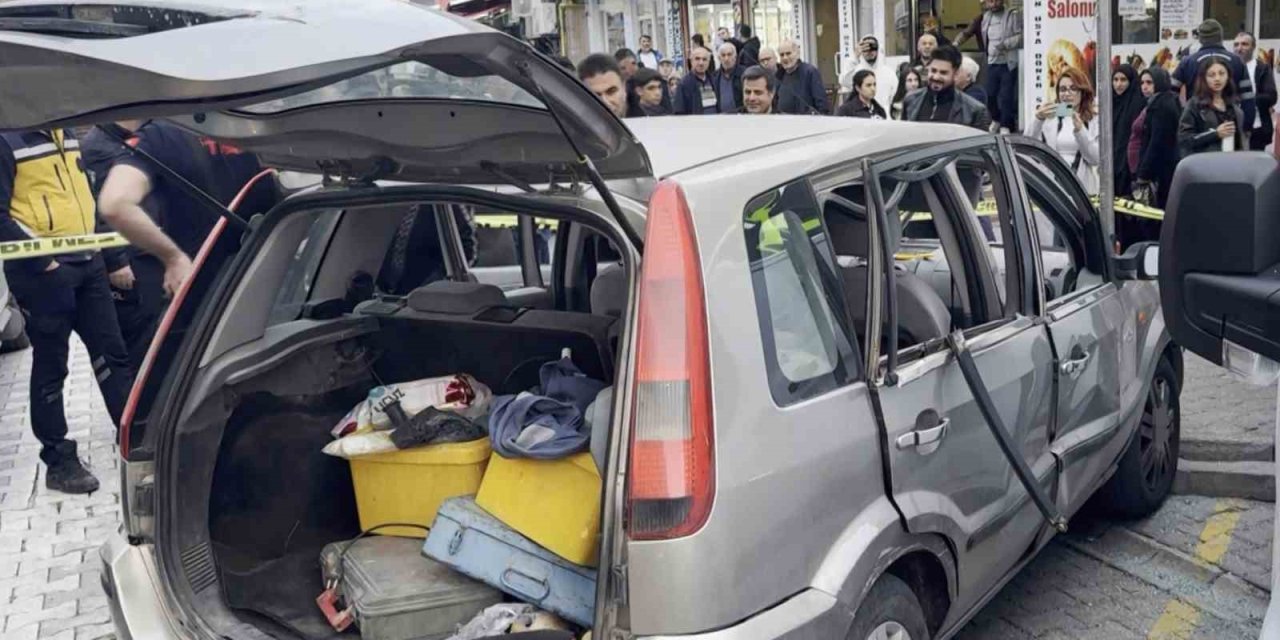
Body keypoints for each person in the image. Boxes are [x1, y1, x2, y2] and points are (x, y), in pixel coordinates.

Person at [0, 129, 133, 494]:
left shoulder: (66, 132)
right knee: (51, 365)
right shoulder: (7, 140)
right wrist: (44, 262)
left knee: (113, 354)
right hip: (41, 274)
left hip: (88, 264)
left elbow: (88, 196)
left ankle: (133, 434)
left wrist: (113, 258)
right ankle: (59, 461)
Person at [97, 119, 278, 296]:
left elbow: (115, 203)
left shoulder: (159, 136)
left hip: (208, 287)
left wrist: (173, 257)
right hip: (278, 265)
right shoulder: (258, 121)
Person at [80, 121, 165, 373]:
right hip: (129, 256)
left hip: (149, 248)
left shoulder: (132, 138)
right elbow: (100, 208)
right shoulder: (97, 148)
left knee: (158, 324)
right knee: (141, 332)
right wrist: (116, 261)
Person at [1172, 20, 1255, 140]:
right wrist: (1246, 128)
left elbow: (1170, 93)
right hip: (1230, 127)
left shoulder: (1187, 62)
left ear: (1200, 39)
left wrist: (1182, 117)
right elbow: (1248, 99)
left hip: (1197, 126)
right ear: (1221, 37)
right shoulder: (1237, 61)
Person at [1026, 66, 1100, 195]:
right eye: (1062, 89)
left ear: (1082, 92)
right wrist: (1038, 119)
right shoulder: (1050, 117)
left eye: (1073, 89)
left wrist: (1080, 130)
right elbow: (1027, 146)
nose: (1067, 94)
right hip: (1054, 188)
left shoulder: (1093, 118)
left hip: (1082, 189)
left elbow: (1094, 158)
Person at [903, 45, 992, 130]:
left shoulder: (974, 111)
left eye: (943, 73)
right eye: (933, 71)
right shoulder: (911, 100)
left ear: (956, 74)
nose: (936, 77)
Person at [1178, 58, 1246, 157]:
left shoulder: (1234, 106)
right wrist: (1215, 134)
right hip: (1205, 164)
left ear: (1228, 76)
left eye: (1222, 73)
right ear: (1204, 78)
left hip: (1232, 163)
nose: (1217, 78)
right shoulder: (1195, 104)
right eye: (1211, 75)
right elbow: (1184, 139)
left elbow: (1241, 141)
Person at [1135, 67, 1180, 208]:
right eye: (1142, 83)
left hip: (1160, 173)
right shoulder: (1158, 102)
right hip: (1159, 171)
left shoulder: (1161, 106)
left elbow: (1157, 142)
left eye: (1149, 82)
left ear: (1159, 82)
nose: (1144, 87)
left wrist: (1144, 173)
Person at [975, 0, 1022, 132]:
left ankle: (1006, 125)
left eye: (996, 1)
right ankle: (996, 119)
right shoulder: (986, 17)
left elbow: (1022, 36)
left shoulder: (1013, 14)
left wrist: (1005, 44)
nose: (993, 4)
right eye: (990, 1)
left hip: (1008, 62)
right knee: (990, 94)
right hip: (991, 61)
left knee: (1006, 96)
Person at [1234, 31, 1277, 151]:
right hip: (1233, 129)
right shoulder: (1227, 67)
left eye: (1244, 44)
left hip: (1257, 127)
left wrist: (1247, 98)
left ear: (1253, 47)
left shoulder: (1262, 68)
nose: (1239, 48)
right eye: (1236, 44)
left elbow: (1271, 97)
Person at [1111, 65, 1146, 198]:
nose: (1118, 84)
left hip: (1130, 166)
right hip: (1111, 162)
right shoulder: (1109, 103)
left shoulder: (1138, 103)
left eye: (1123, 80)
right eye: (1115, 79)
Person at [839, 35, 898, 114]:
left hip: (884, 117)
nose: (869, 51)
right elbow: (844, 81)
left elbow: (894, 96)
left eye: (872, 47)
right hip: (862, 117)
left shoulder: (889, 72)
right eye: (865, 48)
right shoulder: (856, 70)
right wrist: (855, 57)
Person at [776, 40, 829, 114]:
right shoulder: (779, 75)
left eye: (788, 53)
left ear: (797, 54)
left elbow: (822, 104)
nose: (785, 58)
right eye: (782, 55)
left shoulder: (810, 72)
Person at [577, 54, 629, 118]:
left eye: (611, 92)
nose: (605, 102)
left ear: (624, 88)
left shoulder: (643, 120)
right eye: (595, 95)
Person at [675, 47, 719, 115]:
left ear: (709, 62)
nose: (701, 63)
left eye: (704, 59)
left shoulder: (714, 80)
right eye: (697, 59)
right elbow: (679, 112)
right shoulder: (683, 84)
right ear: (691, 61)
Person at [715, 42, 745, 114]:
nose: (726, 58)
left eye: (729, 54)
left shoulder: (744, 74)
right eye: (723, 55)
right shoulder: (715, 76)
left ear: (735, 57)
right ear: (719, 58)